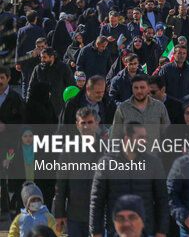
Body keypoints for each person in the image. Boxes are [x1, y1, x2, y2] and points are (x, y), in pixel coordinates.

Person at [90, 123, 169, 237]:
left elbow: (162, 199)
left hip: (146, 231)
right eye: (140, 138)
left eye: (145, 138)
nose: (145, 141)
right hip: (116, 231)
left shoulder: (153, 163)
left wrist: (162, 231)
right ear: (127, 139)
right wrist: (96, 232)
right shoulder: (106, 163)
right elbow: (97, 201)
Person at [54, 107, 103, 237]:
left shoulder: (106, 149)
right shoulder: (69, 149)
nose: (86, 126)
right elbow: (61, 184)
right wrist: (59, 214)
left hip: (100, 215)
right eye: (83, 123)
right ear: (77, 125)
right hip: (75, 215)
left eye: (90, 122)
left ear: (96, 123)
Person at [110, 74, 170, 144]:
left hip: (154, 152)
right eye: (136, 88)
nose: (139, 91)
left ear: (148, 88)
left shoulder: (159, 107)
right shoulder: (123, 108)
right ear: (132, 88)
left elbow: (166, 134)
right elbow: (115, 136)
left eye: (142, 87)